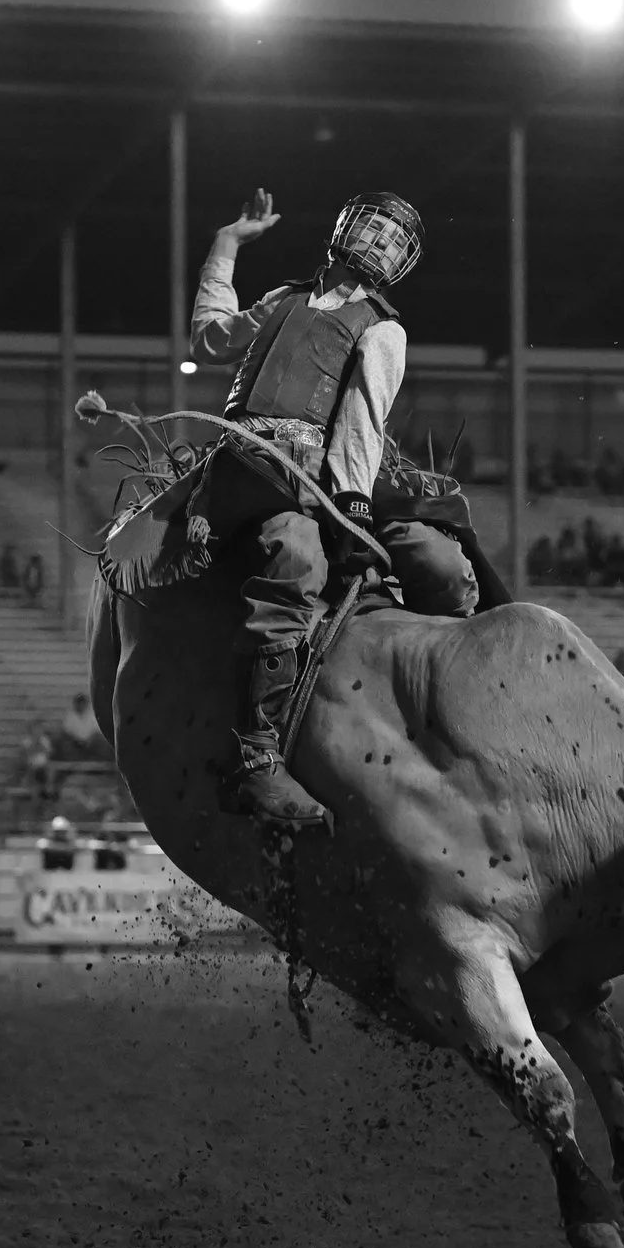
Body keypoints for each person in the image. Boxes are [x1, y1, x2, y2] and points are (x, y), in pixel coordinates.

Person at [186, 185, 472, 826]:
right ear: (346, 228)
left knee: (442, 565)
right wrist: (227, 244)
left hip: (342, 480)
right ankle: (257, 757)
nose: (381, 244)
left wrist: (350, 507)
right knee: (297, 560)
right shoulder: (281, 300)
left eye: (395, 241)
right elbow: (210, 339)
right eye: (374, 229)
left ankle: (441, 706)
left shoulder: (383, 328)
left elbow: (362, 425)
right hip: (254, 470)